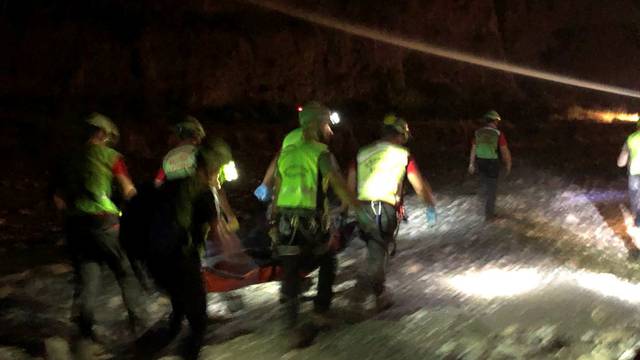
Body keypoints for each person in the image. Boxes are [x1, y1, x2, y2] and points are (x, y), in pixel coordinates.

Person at [272, 101, 374, 348]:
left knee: (290, 270)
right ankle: (320, 310)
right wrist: (359, 210)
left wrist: (273, 222)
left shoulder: (286, 152)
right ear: (317, 124)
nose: (330, 131)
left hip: (285, 220)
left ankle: (291, 327)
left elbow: (277, 187)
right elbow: (338, 184)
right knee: (329, 260)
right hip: (310, 223)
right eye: (327, 125)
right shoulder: (320, 153)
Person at [137, 138, 237, 360]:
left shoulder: (171, 185)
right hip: (181, 258)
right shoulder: (203, 194)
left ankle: (164, 339)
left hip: (153, 258)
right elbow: (220, 237)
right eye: (219, 169)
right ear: (213, 167)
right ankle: (185, 353)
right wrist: (233, 253)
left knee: (179, 302)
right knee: (199, 321)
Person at [52, 113, 147, 343]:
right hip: (104, 221)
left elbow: (58, 199)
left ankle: (85, 336)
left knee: (88, 276)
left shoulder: (69, 158)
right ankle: (141, 328)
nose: (108, 142)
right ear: (102, 133)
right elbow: (128, 190)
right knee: (126, 272)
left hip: (76, 225)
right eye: (108, 138)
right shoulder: (111, 156)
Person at [347, 114, 436, 311]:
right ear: (401, 134)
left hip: (362, 210)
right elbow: (419, 186)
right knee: (376, 256)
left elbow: (350, 184)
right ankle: (358, 295)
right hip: (384, 211)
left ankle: (380, 295)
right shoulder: (403, 155)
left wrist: (347, 209)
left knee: (375, 251)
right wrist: (429, 206)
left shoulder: (362, 153)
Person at [468, 110, 512, 221]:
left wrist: (471, 164)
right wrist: (508, 163)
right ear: (495, 121)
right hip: (492, 163)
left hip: (480, 162)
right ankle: (489, 216)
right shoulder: (498, 133)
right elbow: (504, 150)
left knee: (484, 185)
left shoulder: (478, 132)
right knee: (492, 189)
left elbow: (473, 148)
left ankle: (483, 208)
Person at [618, 122, 640, 228]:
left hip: (634, 174)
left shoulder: (631, 138)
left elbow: (621, 163)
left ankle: (637, 221)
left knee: (635, 198)